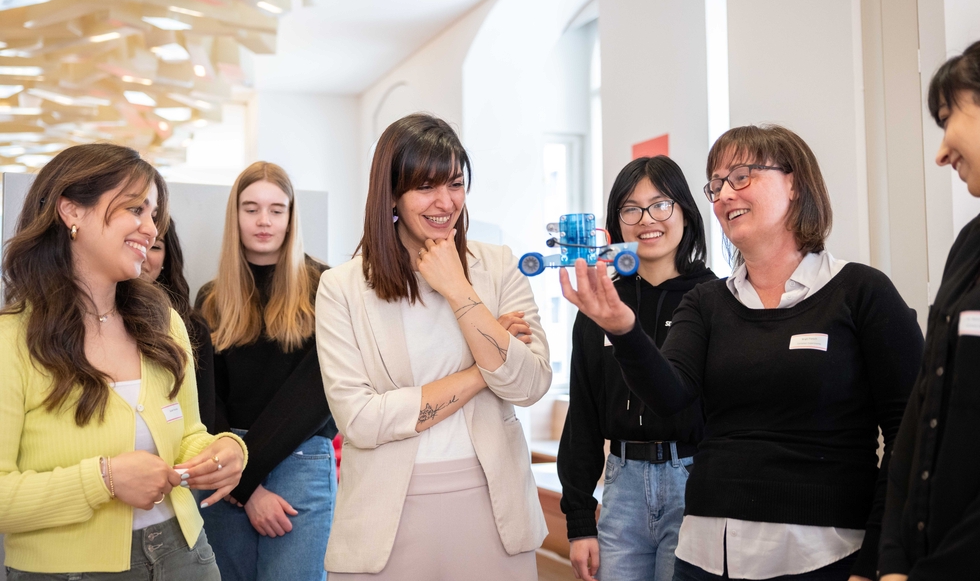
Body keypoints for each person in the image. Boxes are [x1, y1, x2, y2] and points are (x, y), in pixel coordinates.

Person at [561, 125, 924, 581]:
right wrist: (624, 330)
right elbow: (670, 394)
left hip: (822, 550)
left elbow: (911, 435)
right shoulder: (708, 303)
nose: (724, 194)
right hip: (706, 551)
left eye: (741, 176)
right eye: (716, 184)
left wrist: (880, 558)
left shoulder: (861, 292)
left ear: (794, 184)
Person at [316, 113, 552, 580]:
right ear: (392, 195)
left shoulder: (498, 267)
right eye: (426, 186)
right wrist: (484, 367)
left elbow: (530, 385)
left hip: (495, 507)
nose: (446, 202)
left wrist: (458, 289)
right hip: (385, 518)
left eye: (456, 184)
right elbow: (360, 421)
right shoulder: (341, 288)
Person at [0, 143, 246, 580]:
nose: (150, 229)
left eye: (154, 215)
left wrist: (222, 452)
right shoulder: (12, 338)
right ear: (71, 211)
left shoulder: (163, 322)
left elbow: (188, 434)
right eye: (135, 209)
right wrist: (104, 479)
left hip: (186, 555)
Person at [878, 24, 980, 580]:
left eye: (947, 118)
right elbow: (922, 412)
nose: (941, 153)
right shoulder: (977, 241)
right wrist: (893, 560)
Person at [557, 155, 717, 581]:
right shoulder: (601, 302)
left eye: (660, 204)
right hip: (622, 483)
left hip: (694, 480)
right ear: (616, 223)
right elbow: (583, 413)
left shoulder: (714, 299)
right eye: (631, 208)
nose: (647, 219)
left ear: (685, 211)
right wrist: (579, 520)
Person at [196, 162, 336, 581]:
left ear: (291, 217)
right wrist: (247, 488)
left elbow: (315, 395)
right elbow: (206, 400)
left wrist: (244, 478)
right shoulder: (211, 297)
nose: (264, 221)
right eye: (251, 208)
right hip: (223, 463)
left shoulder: (325, 288)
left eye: (277, 210)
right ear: (235, 215)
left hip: (300, 459)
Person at [141, 217, 217, 429]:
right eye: (134, 242)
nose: (142, 255)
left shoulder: (190, 327)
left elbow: (204, 420)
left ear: (167, 257)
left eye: (155, 246)